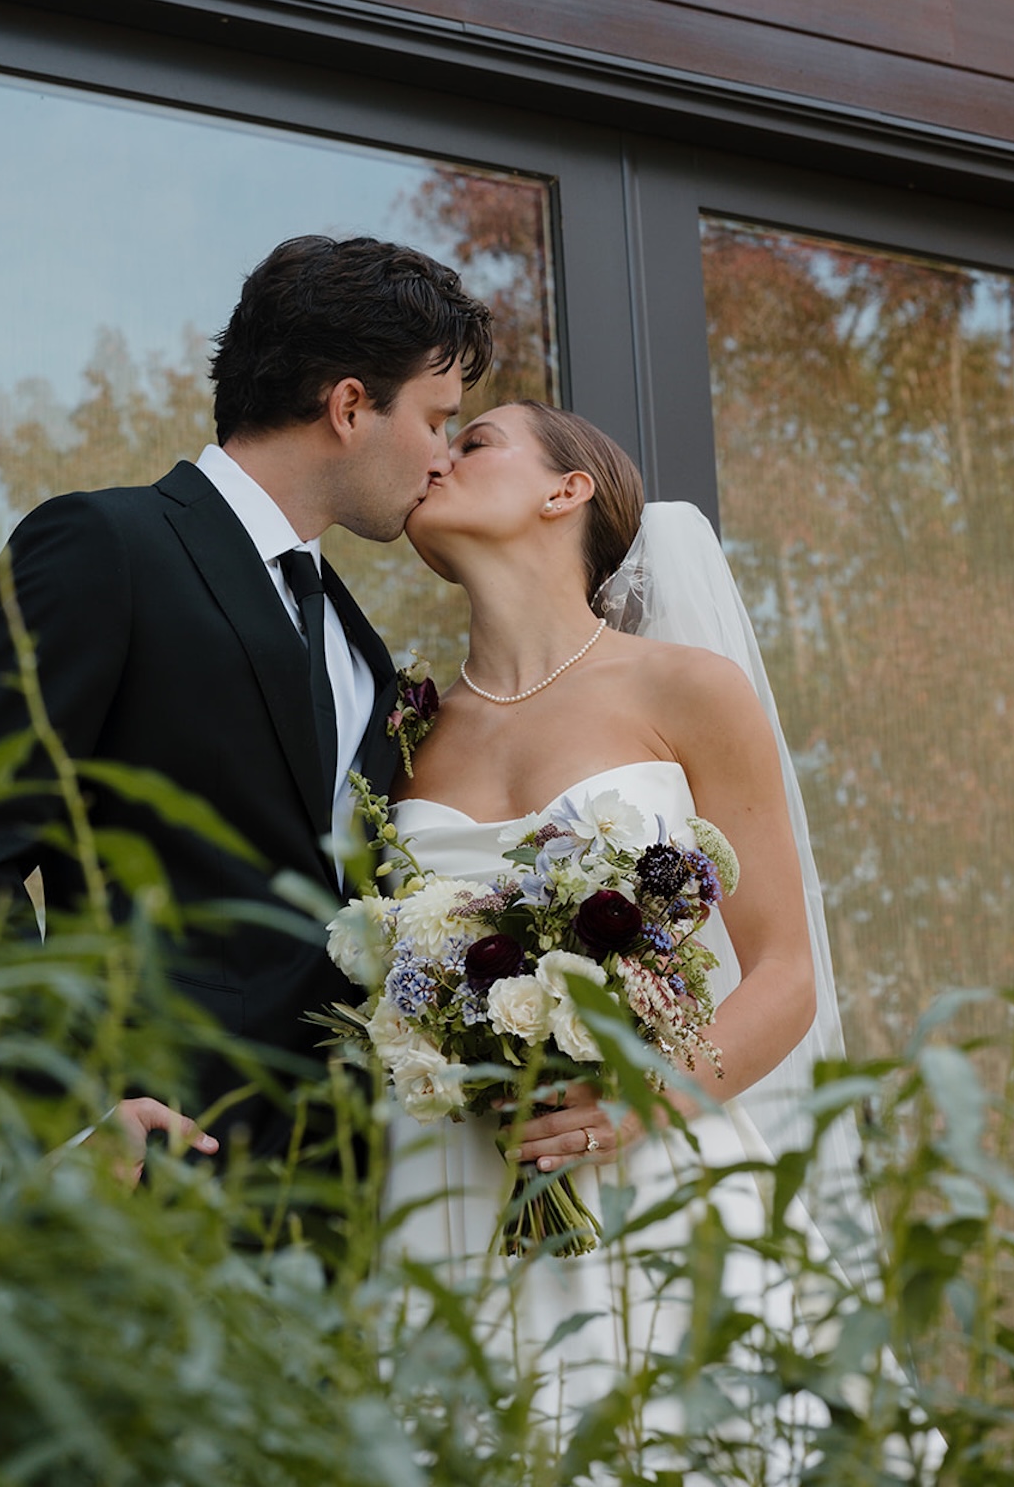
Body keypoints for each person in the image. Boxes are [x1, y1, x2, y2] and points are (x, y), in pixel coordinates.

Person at [0, 234, 492, 1174]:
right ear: (349, 405)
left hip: (335, 1193)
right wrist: (64, 1117)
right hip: (150, 1169)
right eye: (437, 419)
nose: (442, 460)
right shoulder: (106, 546)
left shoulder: (362, 649)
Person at [388, 399, 849, 1437]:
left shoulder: (686, 690)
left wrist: (637, 1102)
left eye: (473, 442)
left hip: (647, 1172)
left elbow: (782, 974)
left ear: (567, 490)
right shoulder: (401, 732)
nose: (435, 461)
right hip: (445, 1181)